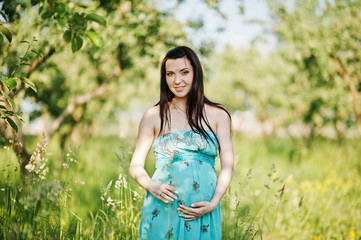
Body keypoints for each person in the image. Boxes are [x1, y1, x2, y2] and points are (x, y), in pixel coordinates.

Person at [129, 46, 234, 240]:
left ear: (196, 72)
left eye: (184, 72)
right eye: (170, 74)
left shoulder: (218, 114)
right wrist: (152, 187)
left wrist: (214, 203)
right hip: (163, 208)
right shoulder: (154, 116)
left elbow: (228, 166)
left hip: (203, 211)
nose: (177, 80)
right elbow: (135, 166)